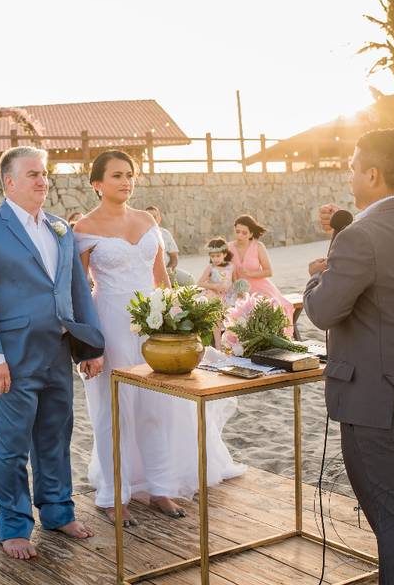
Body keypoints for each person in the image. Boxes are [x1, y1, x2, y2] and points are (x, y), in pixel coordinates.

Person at [305, 130, 394, 585]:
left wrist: (320, 274)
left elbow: (322, 311)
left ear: (373, 173)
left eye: (352, 166)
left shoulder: (359, 237)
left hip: (377, 401)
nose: (348, 174)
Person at [74, 151, 244, 526]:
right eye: (117, 175)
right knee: (113, 410)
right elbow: (80, 290)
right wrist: (89, 344)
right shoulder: (84, 227)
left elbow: (161, 279)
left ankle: (160, 487)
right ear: (97, 183)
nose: (126, 181)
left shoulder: (147, 219)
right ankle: (113, 496)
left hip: (154, 324)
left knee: (157, 407)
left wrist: (175, 320)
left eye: (130, 175)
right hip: (110, 323)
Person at [0, 146, 104, 560]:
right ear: (9, 181)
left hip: (58, 352)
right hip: (13, 355)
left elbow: (78, 290)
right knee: (11, 444)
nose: (43, 181)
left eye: (44, 174)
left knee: (56, 436)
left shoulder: (60, 228)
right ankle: (13, 524)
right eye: (33, 174)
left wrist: (90, 346)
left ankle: (58, 511)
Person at [228, 214, 294, 334]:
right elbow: (225, 270)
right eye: (237, 231)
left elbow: (269, 271)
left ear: (251, 234)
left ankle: (273, 336)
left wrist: (250, 273)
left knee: (270, 306)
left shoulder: (258, 246)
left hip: (260, 286)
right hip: (238, 288)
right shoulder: (229, 247)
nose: (240, 235)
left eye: (244, 233)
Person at [145, 205, 192, 285]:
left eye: (154, 217)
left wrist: (169, 271)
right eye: (149, 217)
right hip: (147, 272)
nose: (152, 220)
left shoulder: (165, 234)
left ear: (159, 219)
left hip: (166, 269)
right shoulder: (139, 235)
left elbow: (174, 257)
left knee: (189, 279)